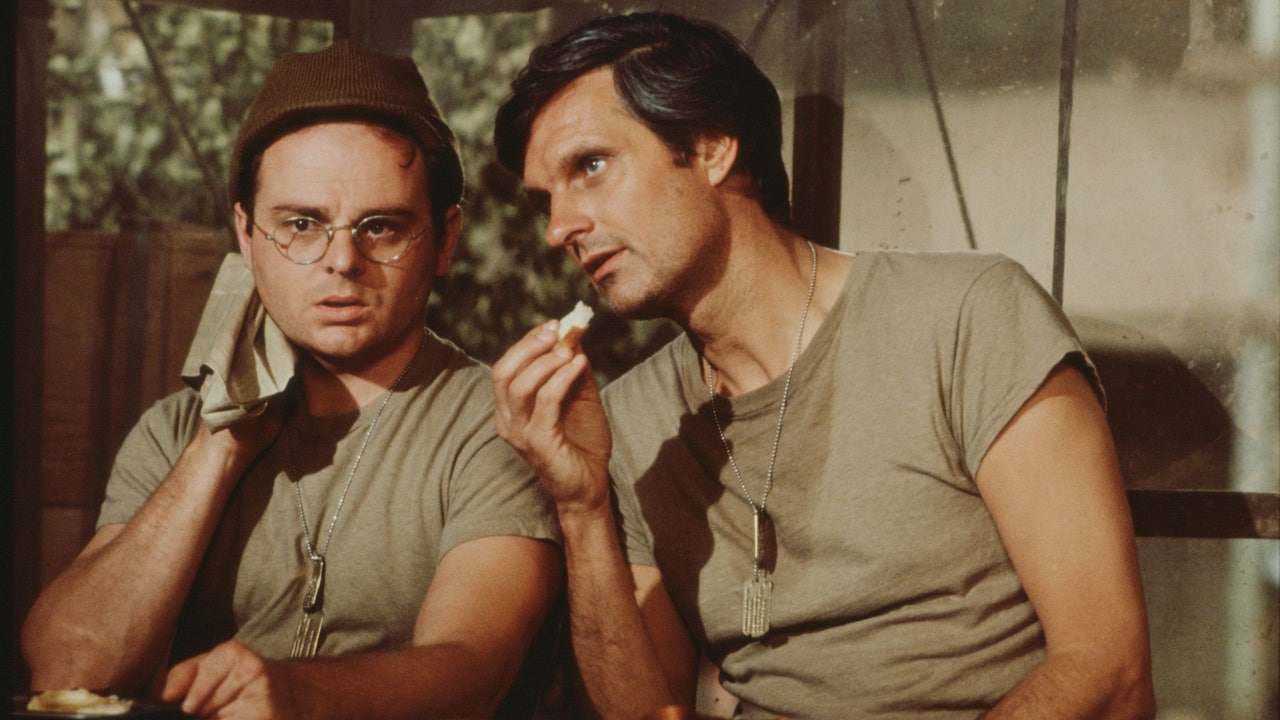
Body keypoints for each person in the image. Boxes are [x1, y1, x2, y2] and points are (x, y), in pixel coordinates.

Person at [491, 12, 1155, 720]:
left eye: (590, 167)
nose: (559, 228)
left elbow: (1109, 672)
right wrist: (581, 507)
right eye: (545, 201)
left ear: (712, 146)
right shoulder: (627, 425)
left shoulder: (968, 317)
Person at [22, 40, 562, 719]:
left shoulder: (498, 423)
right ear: (246, 237)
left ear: (445, 238)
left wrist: (296, 693)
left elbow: (474, 670)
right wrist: (221, 444)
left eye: (381, 227)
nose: (342, 260)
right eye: (301, 225)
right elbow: (69, 670)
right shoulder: (176, 431)